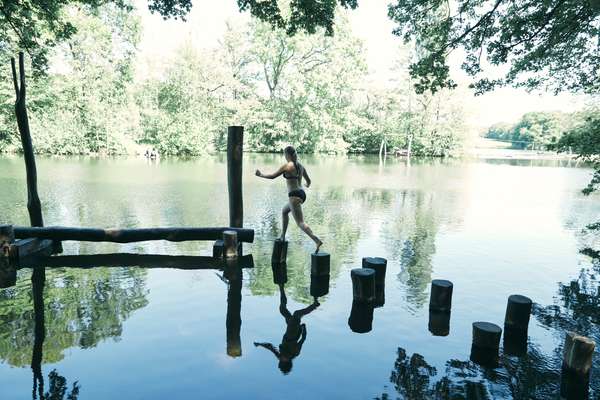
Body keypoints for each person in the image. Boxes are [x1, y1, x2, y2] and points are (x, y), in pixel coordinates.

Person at [255, 146, 323, 253]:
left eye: (285, 155)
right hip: (301, 194)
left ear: (288, 155)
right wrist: (305, 184)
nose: (285, 157)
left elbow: (273, 176)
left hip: (294, 195)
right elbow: (309, 182)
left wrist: (260, 175)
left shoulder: (287, 166)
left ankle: (316, 240)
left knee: (300, 223)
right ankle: (282, 235)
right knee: (284, 211)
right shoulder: (300, 166)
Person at [254, 284, 320, 374]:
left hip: (289, 330)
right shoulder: (295, 352)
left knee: (282, 309)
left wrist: (260, 344)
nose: (281, 359)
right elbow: (302, 339)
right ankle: (315, 305)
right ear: (287, 361)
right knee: (296, 314)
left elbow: (270, 347)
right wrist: (304, 328)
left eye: (280, 361)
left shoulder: (280, 356)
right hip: (293, 332)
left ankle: (281, 288)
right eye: (282, 361)